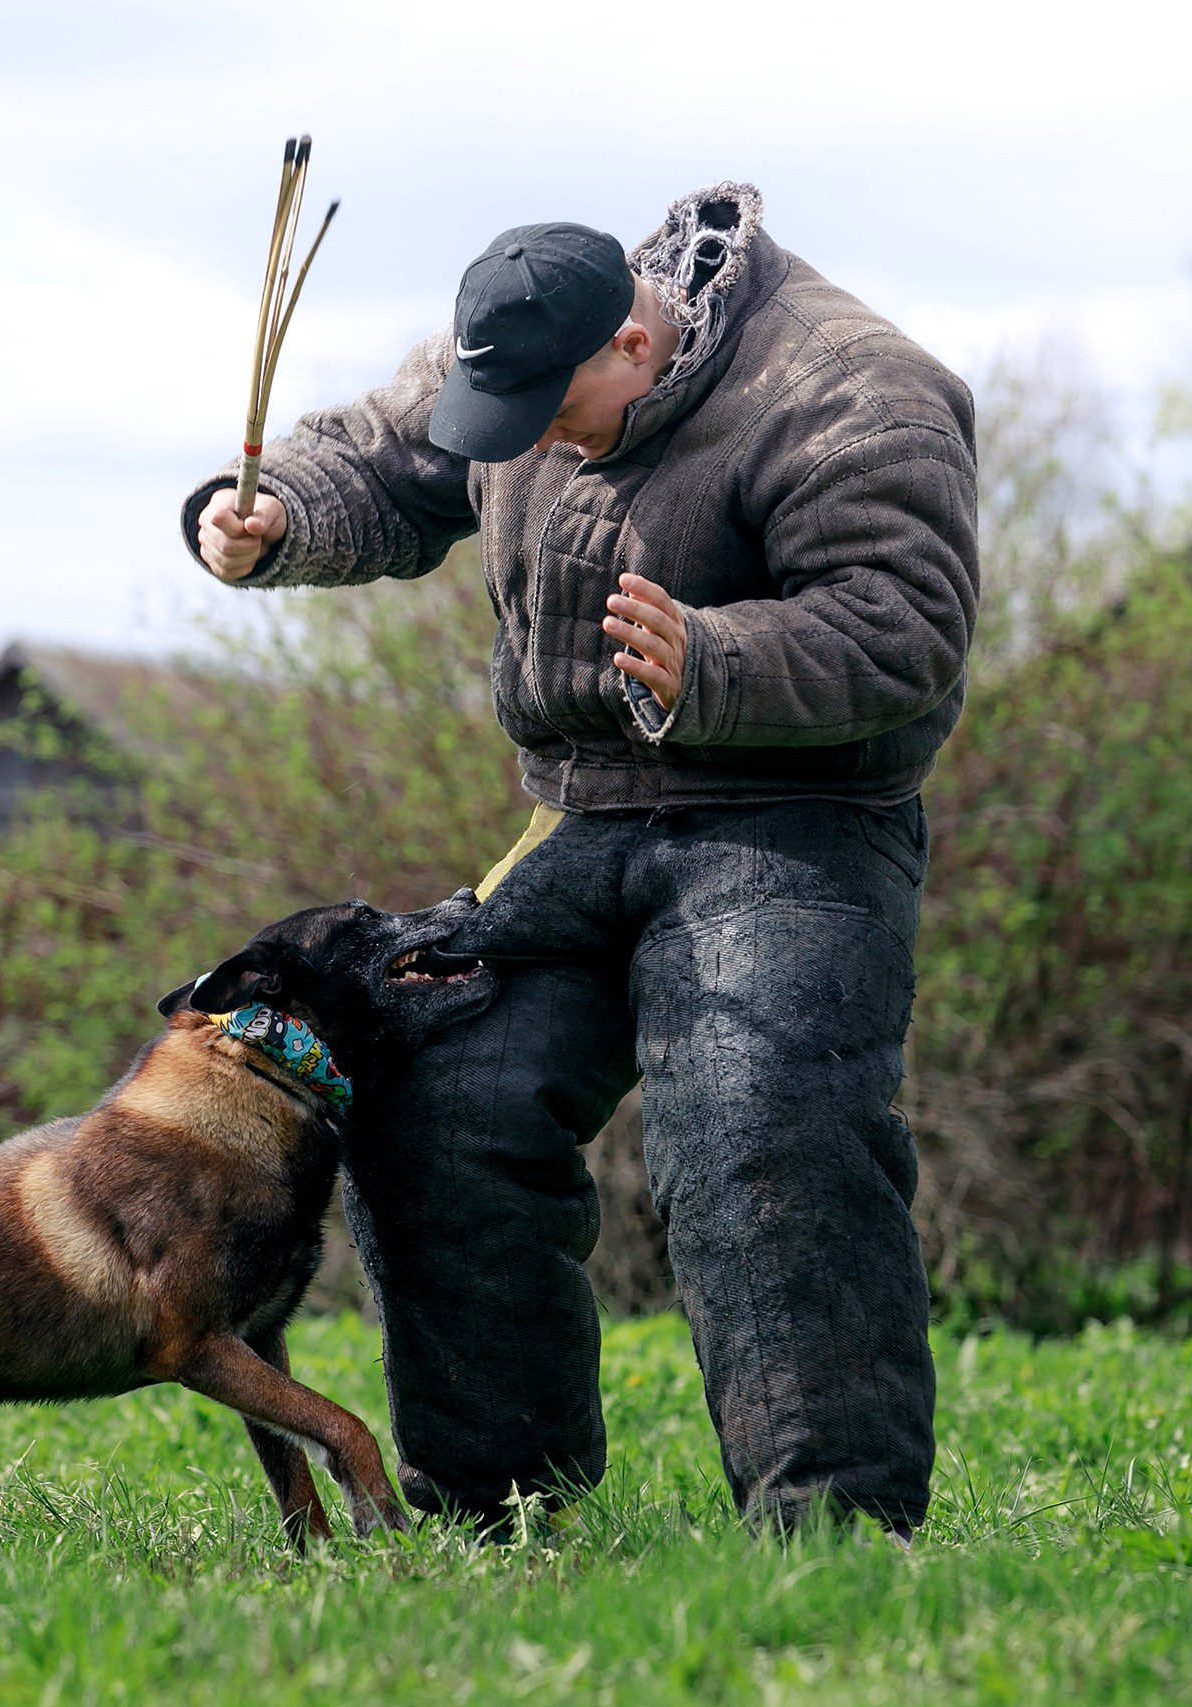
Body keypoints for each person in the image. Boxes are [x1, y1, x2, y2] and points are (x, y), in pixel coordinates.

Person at [180, 183, 977, 1536]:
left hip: (794, 822)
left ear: (634, 347)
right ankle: (499, 1512)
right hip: (579, 817)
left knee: (755, 1118)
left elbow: (906, 631)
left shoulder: (858, 393)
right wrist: (273, 520)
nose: (532, 441)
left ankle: (834, 1536)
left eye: (555, 414)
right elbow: (382, 460)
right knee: (436, 1087)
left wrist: (716, 657)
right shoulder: (515, 358)